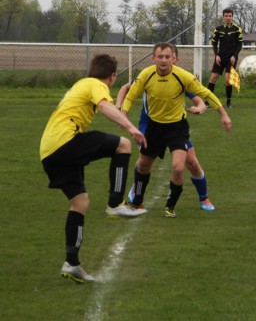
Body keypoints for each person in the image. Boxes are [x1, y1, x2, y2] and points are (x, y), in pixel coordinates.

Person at [40, 54, 147, 283]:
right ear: (111, 76)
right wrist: (130, 127)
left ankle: (72, 263)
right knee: (124, 145)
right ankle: (115, 204)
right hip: (64, 142)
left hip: (49, 153)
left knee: (80, 203)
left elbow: (107, 106)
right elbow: (104, 106)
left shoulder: (83, 84)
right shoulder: (95, 84)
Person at [122, 42, 232, 218]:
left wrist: (223, 114)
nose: (164, 60)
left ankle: (183, 203)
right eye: (160, 56)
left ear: (174, 59)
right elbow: (130, 95)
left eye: (167, 57)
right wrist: (123, 115)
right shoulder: (146, 75)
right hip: (153, 127)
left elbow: (205, 94)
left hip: (176, 128)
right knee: (143, 165)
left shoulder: (182, 76)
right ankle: (137, 201)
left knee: (183, 166)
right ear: (153, 58)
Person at [207, 8, 243, 108]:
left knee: (227, 80)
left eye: (230, 16)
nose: (228, 18)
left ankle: (228, 102)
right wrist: (216, 55)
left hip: (231, 58)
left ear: (232, 17)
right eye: (226, 16)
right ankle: (208, 102)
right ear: (223, 17)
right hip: (220, 57)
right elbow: (214, 43)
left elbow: (239, 45)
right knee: (213, 78)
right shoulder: (218, 29)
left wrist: (234, 56)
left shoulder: (237, 29)